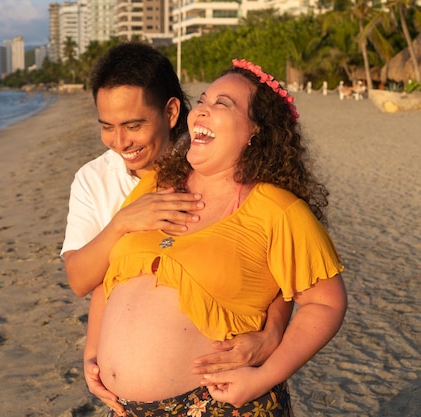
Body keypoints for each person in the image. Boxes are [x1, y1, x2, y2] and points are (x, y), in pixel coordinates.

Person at [93, 59, 348, 416]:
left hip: (218, 403)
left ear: (255, 131)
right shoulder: (156, 185)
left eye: (222, 104)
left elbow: (326, 304)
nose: (201, 111)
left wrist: (263, 378)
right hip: (123, 409)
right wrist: (93, 355)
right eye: (203, 100)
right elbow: (110, 277)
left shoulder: (277, 210)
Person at [61, 43, 292, 415]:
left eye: (134, 126)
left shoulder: (219, 155)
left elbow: (285, 257)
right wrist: (121, 224)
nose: (121, 142)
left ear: (170, 111)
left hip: (217, 385)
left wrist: (274, 331)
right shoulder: (94, 180)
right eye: (108, 127)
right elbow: (81, 278)